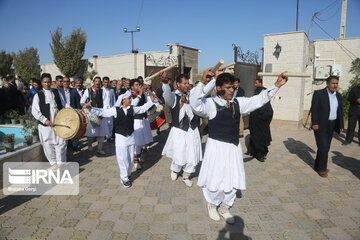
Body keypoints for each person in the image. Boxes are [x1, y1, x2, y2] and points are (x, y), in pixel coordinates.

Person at [190, 69, 288, 224]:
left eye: (232, 87)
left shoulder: (238, 103)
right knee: (215, 177)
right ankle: (212, 204)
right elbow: (194, 103)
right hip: (216, 148)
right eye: (228, 87)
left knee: (232, 176)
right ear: (219, 88)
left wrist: (277, 85)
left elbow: (258, 100)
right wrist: (203, 82)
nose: (232, 90)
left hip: (233, 148)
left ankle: (225, 207)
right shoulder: (210, 104)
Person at [86, 91, 155, 187]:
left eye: (131, 98)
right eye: (129, 98)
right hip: (121, 138)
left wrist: (151, 102)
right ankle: (124, 178)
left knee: (130, 158)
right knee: (122, 158)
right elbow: (103, 112)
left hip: (131, 137)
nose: (131, 100)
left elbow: (142, 109)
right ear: (123, 100)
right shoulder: (115, 110)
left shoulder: (133, 109)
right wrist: (91, 109)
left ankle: (128, 174)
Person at [159, 72, 203, 187]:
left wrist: (207, 80)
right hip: (179, 131)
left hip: (192, 130)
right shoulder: (174, 97)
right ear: (178, 84)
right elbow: (167, 96)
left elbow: (202, 91)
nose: (187, 85)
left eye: (188, 83)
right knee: (179, 154)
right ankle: (175, 170)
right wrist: (164, 83)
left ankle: (186, 176)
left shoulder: (191, 95)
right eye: (184, 83)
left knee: (192, 155)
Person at [310, 75, 344, 177]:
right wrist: (314, 123)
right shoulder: (319, 94)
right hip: (320, 125)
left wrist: (341, 125)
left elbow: (340, 111)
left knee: (325, 147)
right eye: (333, 83)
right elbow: (314, 109)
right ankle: (322, 169)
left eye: (336, 83)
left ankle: (318, 165)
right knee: (323, 147)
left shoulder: (338, 95)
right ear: (327, 83)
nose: (335, 85)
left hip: (332, 125)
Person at [32, 73, 67, 166]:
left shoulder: (56, 92)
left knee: (61, 143)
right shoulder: (38, 96)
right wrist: (44, 120)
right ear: (42, 83)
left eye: (48, 82)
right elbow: (35, 112)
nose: (47, 84)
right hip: (46, 127)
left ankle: (61, 164)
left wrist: (72, 111)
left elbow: (64, 105)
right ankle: (54, 164)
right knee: (48, 145)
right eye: (45, 82)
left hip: (58, 124)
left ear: (51, 82)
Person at [119, 79, 153, 169]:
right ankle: (135, 161)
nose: (139, 86)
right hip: (136, 121)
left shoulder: (144, 94)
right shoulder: (130, 96)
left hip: (144, 119)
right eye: (136, 85)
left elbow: (150, 102)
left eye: (139, 84)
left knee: (143, 141)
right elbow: (132, 106)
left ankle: (139, 156)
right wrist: (140, 95)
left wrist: (149, 94)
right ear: (132, 87)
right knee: (137, 142)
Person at [80, 76, 108, 155]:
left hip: (100, 113)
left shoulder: (103, 91)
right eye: (96, 81)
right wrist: (85, 105)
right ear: (93, 82)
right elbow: (82, 101)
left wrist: (103, 113)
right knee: (91, 132)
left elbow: (106, 103)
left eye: (99, 81)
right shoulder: (87, 91)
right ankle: (89, 144)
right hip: (91, 113)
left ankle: (100, 148)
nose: (98, 83)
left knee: (101, 132)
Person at [248, 79, 273, 162]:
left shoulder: (263, 91)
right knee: (255, 136)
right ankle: (253, 152)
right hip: (256, 118)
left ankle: (261, 154)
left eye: (256, 83)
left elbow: (266, 107)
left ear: (260, 83)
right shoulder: (257, 91)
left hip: (262, 118)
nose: (255, 84)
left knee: (261, 137)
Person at [102, 76, 116, 142]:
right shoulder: (100, 90)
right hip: (103, 108)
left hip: (110, 108)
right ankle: (103, 135)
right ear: (103, 82)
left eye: (107, 82)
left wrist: (114, 108)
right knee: (104, 123)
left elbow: (114, 100)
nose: (106, 84)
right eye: (105, 82)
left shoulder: (111, 90)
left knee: (110, 123)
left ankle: (109, 137)